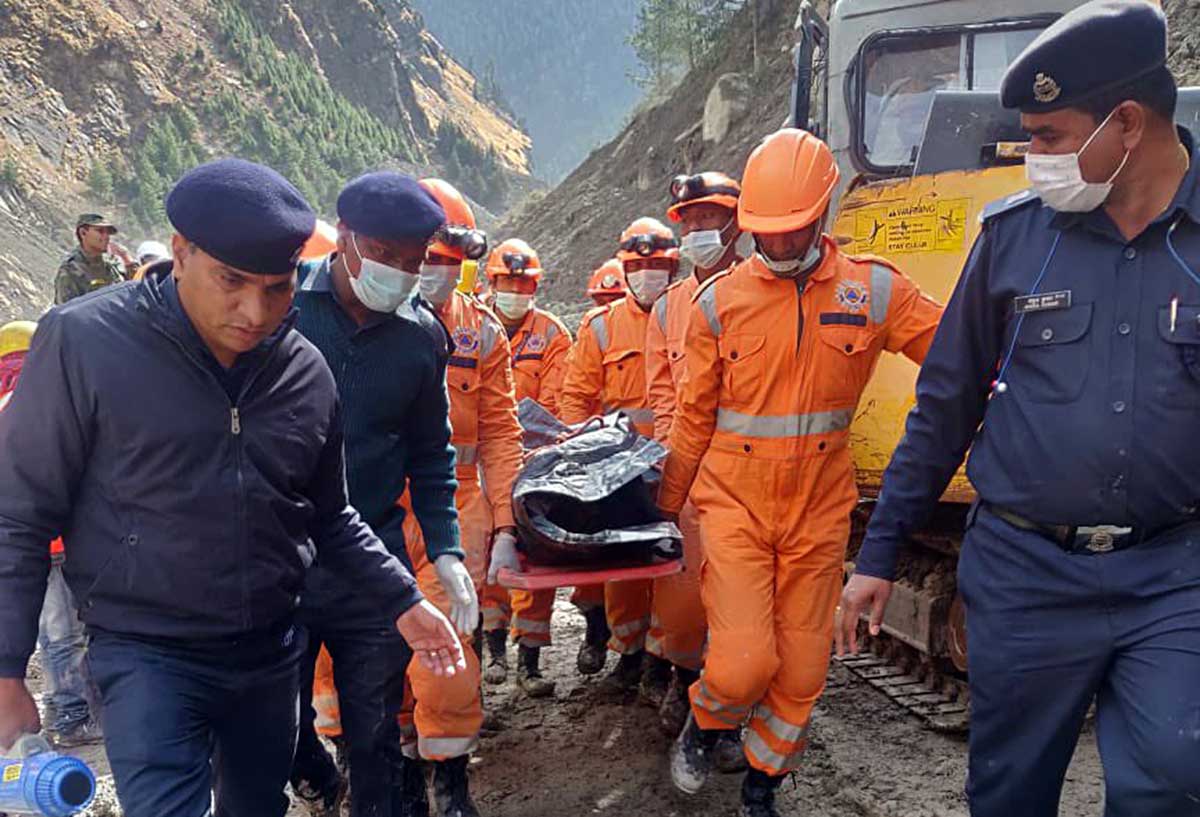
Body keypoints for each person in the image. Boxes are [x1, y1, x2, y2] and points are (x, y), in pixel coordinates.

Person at [0, 158, 464, 817]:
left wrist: (405, 599)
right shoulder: (84, 345)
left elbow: (330, 517)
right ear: (182, 252)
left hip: (269, 655)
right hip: (147, 654)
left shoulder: (304, 371)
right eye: (231, 281)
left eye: (275, 290)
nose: (254, 311)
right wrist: (6, 667)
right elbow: (17, 511)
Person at [840, 4, 1200, 815]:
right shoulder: (1013, 237)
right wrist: (878, 554)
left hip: (1174, 574)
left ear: (1128, 122)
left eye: (1045, 135)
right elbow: (944, 406)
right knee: (1008, 793)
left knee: (1175, 779)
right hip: (1026, 572)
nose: (1029, 156)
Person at [659, 129, 941, 817]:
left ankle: (763, 781)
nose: (778, 247)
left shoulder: (873, 291)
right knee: (741, 661)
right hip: (735, 508)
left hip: (818, 513)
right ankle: (706, 721)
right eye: (764, 234)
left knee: (806, 670)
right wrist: (666, 506)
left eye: (792, 232)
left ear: (824, 212)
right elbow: (693, 419)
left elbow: (955, 353)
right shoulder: (716, 305)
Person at [286, 171, 475, 817]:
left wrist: (446, 547)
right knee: (275, 715)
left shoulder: (421, 338)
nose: (400, 272)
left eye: (414, 261)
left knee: (374, 732)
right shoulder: (285, 310)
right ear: (345, 238)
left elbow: (431, 453)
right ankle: (305, 757)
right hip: (281, 558)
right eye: (386, 256)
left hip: (372, 560)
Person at [645, 174, 747, 762]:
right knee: (683, 603)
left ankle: (726, 716)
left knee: (738, 606)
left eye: (711, 219)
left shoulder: (759, 292)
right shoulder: (668, 308)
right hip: (689, 477)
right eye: (692, 222)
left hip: (745, 477)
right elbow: (663, 397)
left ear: (738, 222)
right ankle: (685, 686)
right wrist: (672, 466)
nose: (700, 231)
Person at [473, 239, 604, 687]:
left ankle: (529, 663)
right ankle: (492, 655)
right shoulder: (470, 327)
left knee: (536, 563)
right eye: (509, 281)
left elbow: (553, 404)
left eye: (525, 282)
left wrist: (529, 459)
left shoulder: (550, 334)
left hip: (530, 464)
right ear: (491, 282)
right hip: (475, 465)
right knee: (483, 559)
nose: (517, 289)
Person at [559, 218, 679, 701]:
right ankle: (629, 657)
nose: (647, 274)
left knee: (676, 574)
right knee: (625, 573)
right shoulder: (602, 327)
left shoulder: (695, 313)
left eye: (657, 265)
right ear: (625, 270)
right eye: (638, 266)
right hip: (622, 473)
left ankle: (664, 661)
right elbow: (575, 400)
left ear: (673, 267)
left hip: (681, 466)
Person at [0, 322, 100, 750]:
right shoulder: (38, 400)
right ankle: (73, 715)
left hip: (27, 543)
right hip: (56, 539)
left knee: (57, 633)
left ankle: (75, 710)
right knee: (65, 634)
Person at [54, 213, 136, 304]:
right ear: (83, 233)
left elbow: (133, 289)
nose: (106, 237)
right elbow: (66, 311)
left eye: (108, 233)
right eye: (100, 231)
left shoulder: (111, 264)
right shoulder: (71, 270)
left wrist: (127, 260)